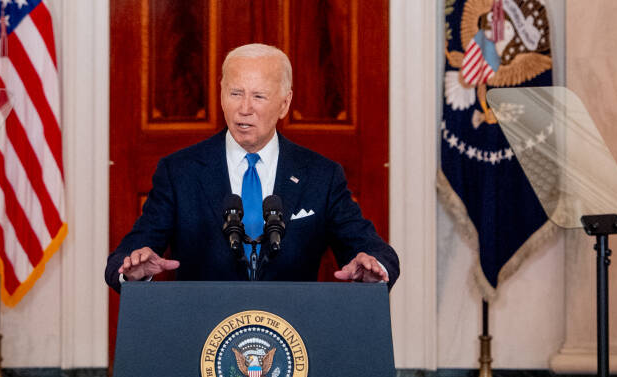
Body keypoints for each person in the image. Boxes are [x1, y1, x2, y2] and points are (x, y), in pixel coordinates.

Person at [105, 44, 399, 290]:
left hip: (292, 332)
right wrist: (132, 269)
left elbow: (374, 250)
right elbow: (126, 256)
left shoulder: (321, 175)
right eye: (235, 93)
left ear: (285, 104)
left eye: (258, 96)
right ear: (221, 95)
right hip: (204, 332)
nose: (245, 108)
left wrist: (373, 266)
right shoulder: (179, 172)